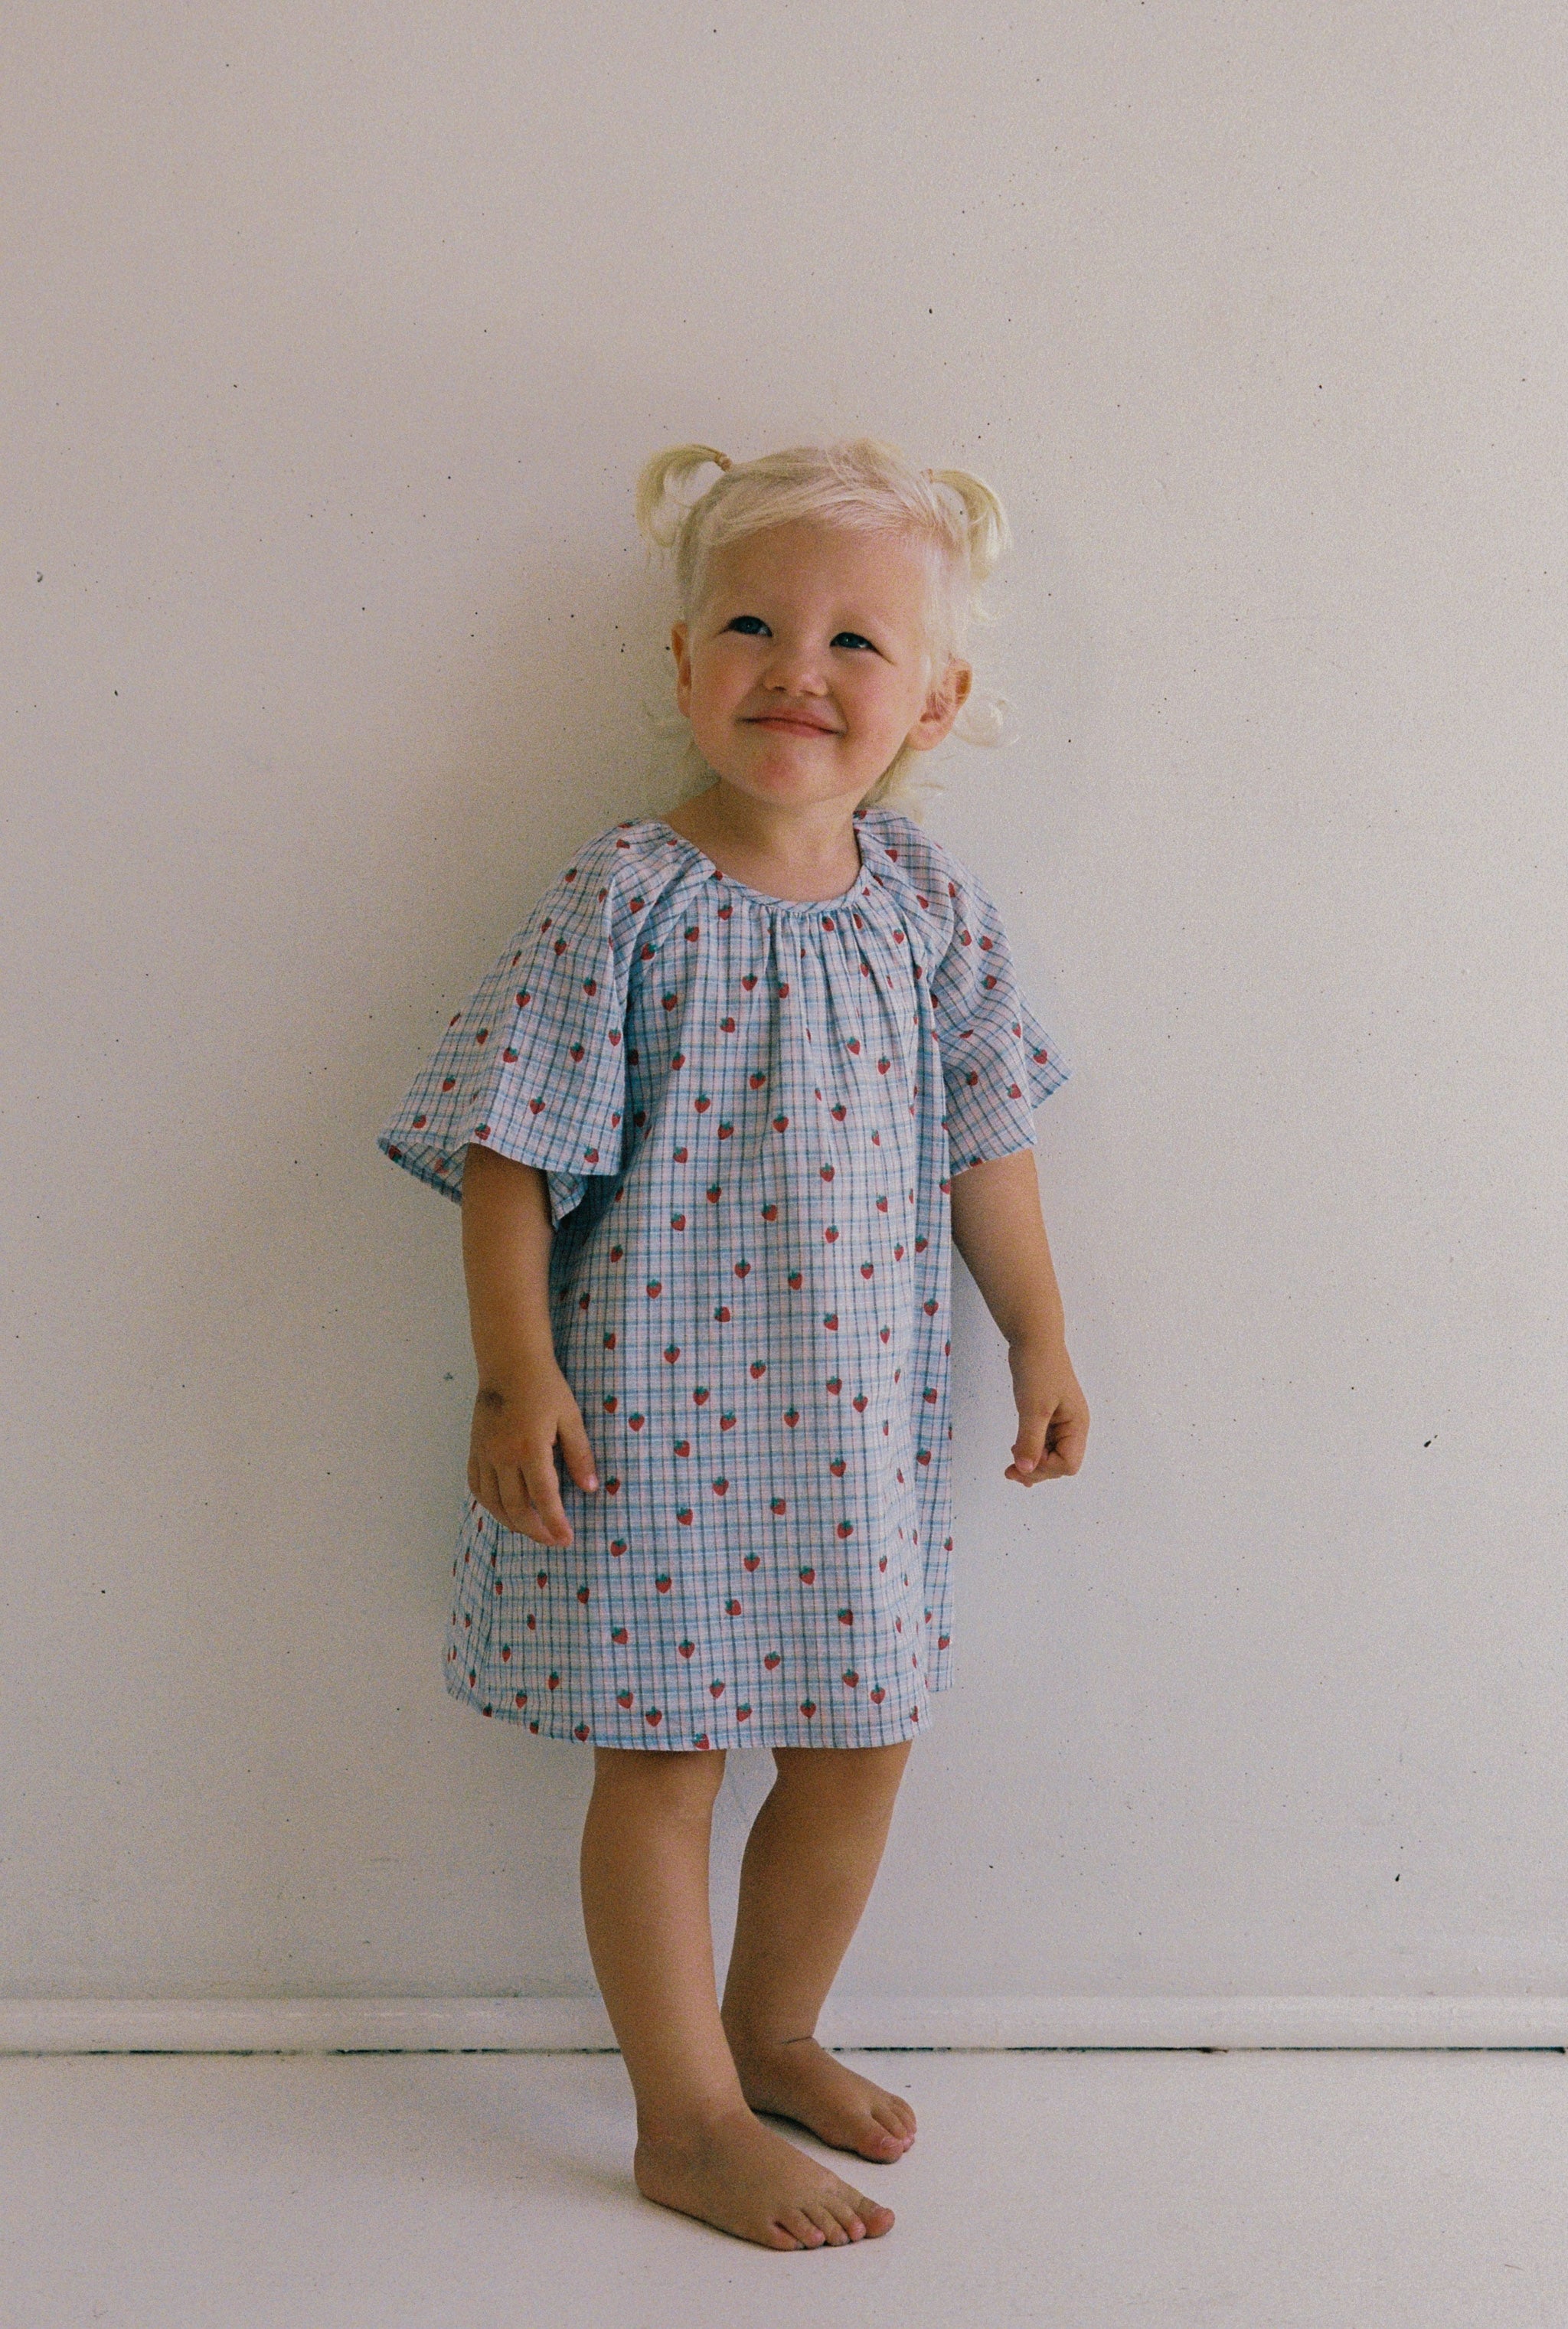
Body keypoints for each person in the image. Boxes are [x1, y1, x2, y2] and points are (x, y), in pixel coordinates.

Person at [377, 438, 1089, 2250]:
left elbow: (987, 1146)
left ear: (935, 696)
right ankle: (682, 2114)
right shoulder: (628, 896)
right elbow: (508, 1151)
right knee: (667, 1760)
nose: (800, 668)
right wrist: (513, 1372)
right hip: (650, 1430)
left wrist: (1043, 1337)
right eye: (755, 624)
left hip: (855, 1438)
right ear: (684, 659)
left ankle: (772, 2033)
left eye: (859, 642)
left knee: (860, 1744)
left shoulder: (927, 910)